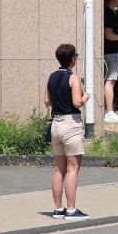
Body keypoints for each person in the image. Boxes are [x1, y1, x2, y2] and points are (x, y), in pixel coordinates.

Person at [45, 43, 90, 220]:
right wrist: (85, 97)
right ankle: (71, 209)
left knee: (59, 169)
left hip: (56, 123)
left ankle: (58, 208)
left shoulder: (51, 77)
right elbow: (77, 102)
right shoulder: (74, 78)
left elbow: (47, 100)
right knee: (73, 168)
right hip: (71, 123)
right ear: (72, 59)